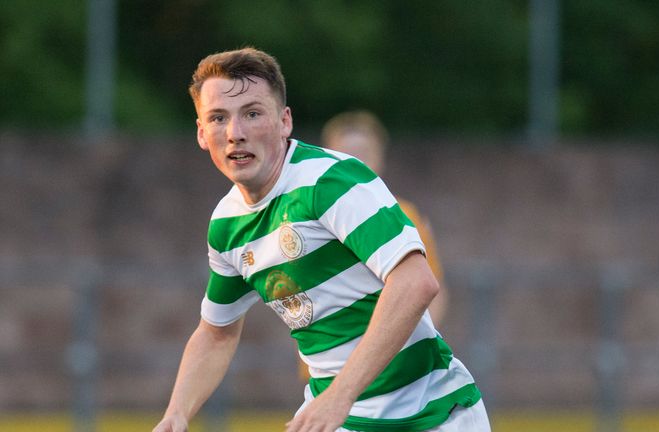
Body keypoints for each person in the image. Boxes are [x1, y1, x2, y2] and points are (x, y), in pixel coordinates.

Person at [153, 47, 490, 432]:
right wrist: (176, 414)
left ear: (284, 121)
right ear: (201, 132)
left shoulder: (330, 182)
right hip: (338, 415)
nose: (235, 133)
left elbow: (417, 282)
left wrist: (340, 397)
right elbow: (216, 333)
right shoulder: (226, 225)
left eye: (252, 113)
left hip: (432, 414)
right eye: (218, 118)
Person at [321, 111, 449, 325]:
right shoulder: (308, 215)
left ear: (381, 157)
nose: (356, 162)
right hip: (326, 354)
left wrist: (407, 344)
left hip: (390, 350)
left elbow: (433, 290)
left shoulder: (404, 215)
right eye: (346, 153)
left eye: (364, 153)